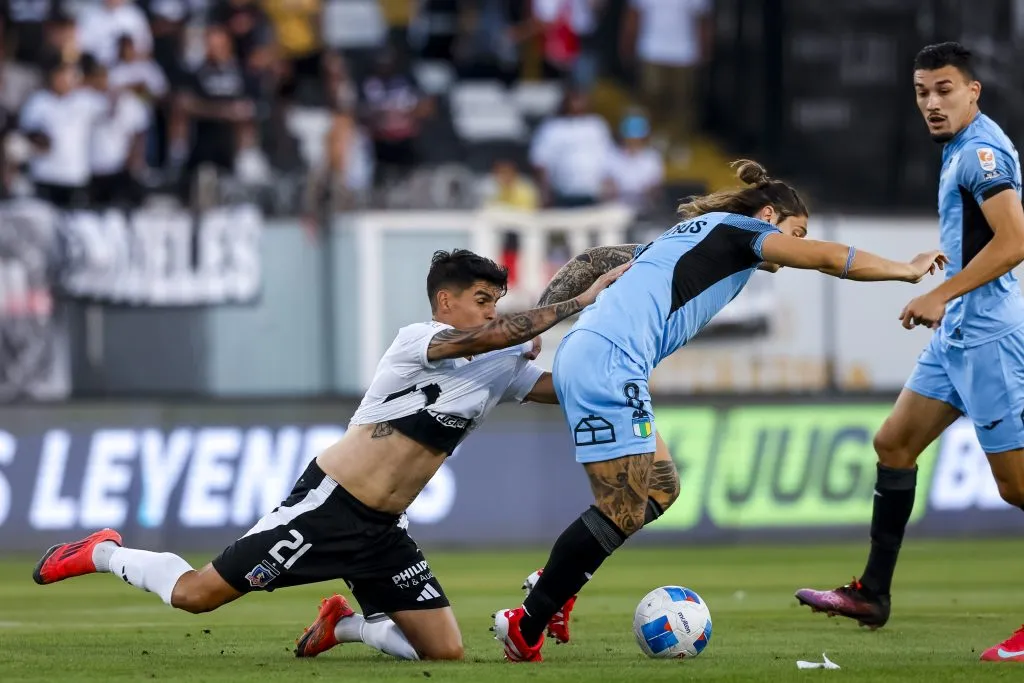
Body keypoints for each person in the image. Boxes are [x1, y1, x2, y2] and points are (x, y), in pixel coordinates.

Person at [31, 249, 628, 662]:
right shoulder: (417, 341)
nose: (490, 311)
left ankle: (340, 625)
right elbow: (495, 337)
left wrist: (615, 362)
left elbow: (563, 389)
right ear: (444, 302)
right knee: (195, 595)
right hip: (327, 507)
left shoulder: (499, 367)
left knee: (444, 652)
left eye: (496, 300)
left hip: (384, 530)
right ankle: (103, 551)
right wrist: (577, 301)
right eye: (480, 299)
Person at [491, 158, 948, 662]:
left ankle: (557, 584)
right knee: (618, 509)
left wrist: (541, 326)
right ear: (769, 215)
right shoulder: (741, 231)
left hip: (599, 355)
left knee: (661, 489)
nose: (795, 243)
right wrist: (904, 270)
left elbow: (593, 260)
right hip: (608, 360)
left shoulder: (688, 235)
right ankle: (526, 623)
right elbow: (824, 258)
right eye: (795, 231)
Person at [794, 42, 1024, 663]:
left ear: (974, 91)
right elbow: (979, 238)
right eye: (922, 91)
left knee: (1018, 487)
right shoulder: (957, 150)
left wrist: (941, 294)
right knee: (893, 444)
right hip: (957, 338)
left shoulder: (981, 152)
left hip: (989, 339)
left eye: (944, 89)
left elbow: (1013, 242)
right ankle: (872, 594)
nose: (931, 102)